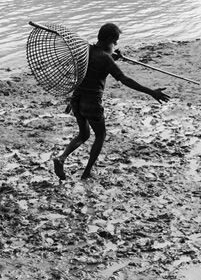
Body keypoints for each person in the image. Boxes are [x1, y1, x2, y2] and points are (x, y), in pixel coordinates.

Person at [52, 23, 170, 181]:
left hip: (77, 100)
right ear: (108, 39)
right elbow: (124, 79)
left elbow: (94, 67)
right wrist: (151, 92)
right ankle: (87, 173)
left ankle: (62, 157)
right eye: (115, 41)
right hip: (91, 103)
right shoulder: (105, 59)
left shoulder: (87, 51)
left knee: (84, 134)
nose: (116, 44)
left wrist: (114, 58)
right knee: (100, 135)